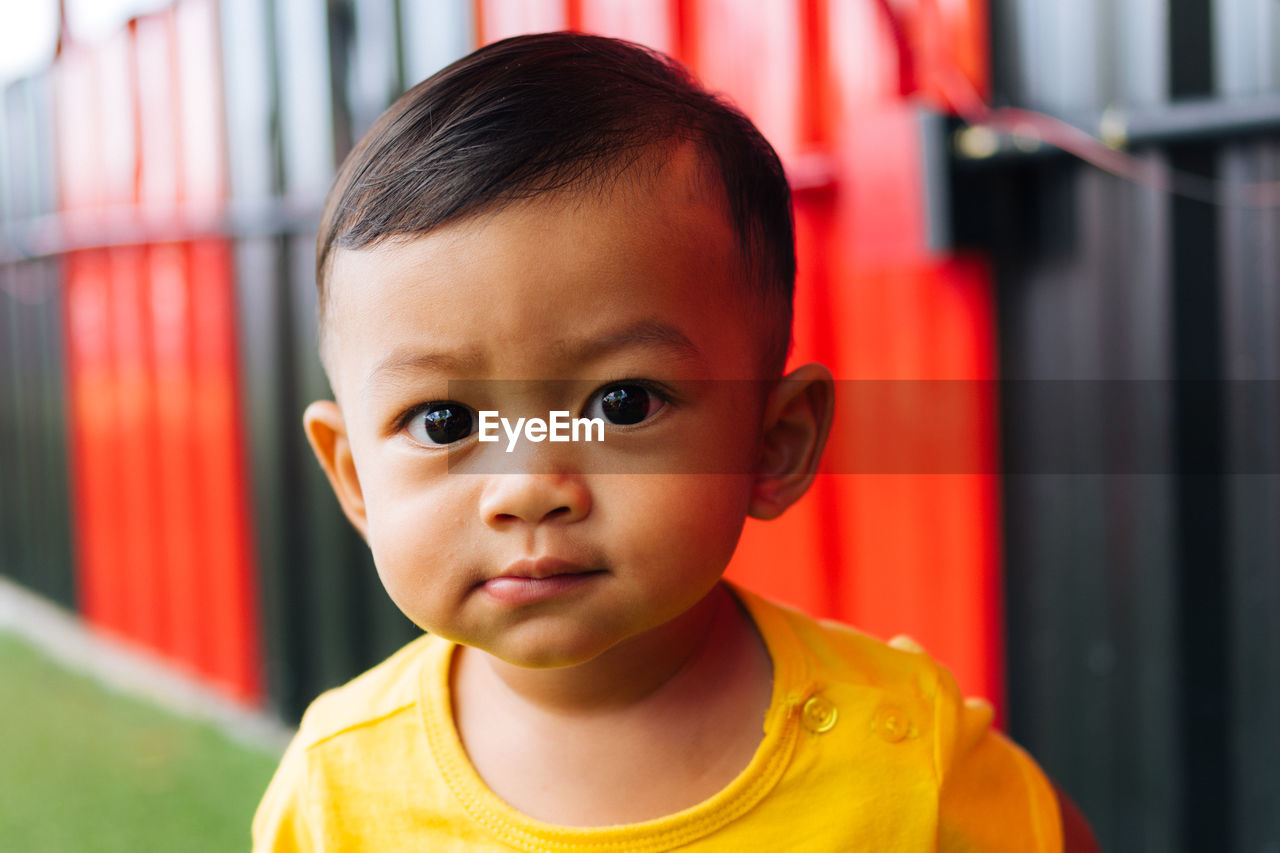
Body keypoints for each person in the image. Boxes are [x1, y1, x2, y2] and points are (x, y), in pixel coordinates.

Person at [253, 31, 1096, 852]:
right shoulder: (336, 793)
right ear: (354, 475)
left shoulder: (911, 758)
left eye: (622, 404)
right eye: (446, 422)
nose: (529, 483)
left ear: (775, 440)